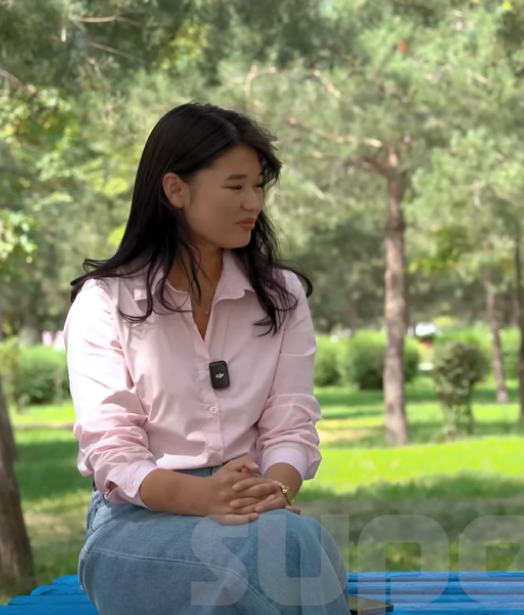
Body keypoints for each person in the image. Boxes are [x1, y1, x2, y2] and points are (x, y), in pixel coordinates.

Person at [62, 102, 351, 615]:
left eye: (259, 186)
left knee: (286, 545)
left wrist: (273, 490)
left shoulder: (280, 295)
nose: (253, 202)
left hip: (254, 512)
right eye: (235, 186)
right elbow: (113, 452)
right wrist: (206, 498)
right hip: (138, 521)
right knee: (286, 552)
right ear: (176, 190)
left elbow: (291, 423)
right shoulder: (105, 302)